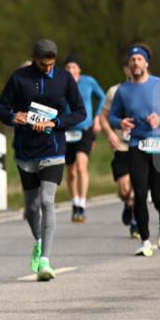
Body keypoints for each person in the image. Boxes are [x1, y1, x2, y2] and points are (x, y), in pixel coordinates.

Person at [0, 39, 86, 281]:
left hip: (54, 150)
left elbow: (80, 112)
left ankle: (45, 260)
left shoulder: (65, 79)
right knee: (31, 208)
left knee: (47, 201)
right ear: (34, 58)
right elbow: (1, 109)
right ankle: (38, 241)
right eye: (43, 64)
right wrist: (16, 117)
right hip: (26, 152)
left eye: (51, 64)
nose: (48, 68)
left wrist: (55, 123)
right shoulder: (19, 78)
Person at [107, 44, 160, 257]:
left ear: (146, 62)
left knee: (158, 197)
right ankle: (146, 241)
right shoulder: (123, 90)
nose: (136, 62)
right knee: (139, 195)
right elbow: (112, 116)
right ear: (129, 65)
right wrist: (121, 122)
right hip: (136, 145)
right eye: (132, 60)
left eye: (139, 59)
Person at [62, 56, 106, 223]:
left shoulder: (88, 81)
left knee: (81, 166)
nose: (71, 70)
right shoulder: (60, 83)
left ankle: (82, 204)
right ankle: (74, 202)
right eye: (68, 67)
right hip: (66, 131)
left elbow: (102, 97)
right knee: (71, 171)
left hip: (85, 129)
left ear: (79, 69)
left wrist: (97, 118)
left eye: (74, 67)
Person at [99, 62, 139, 238]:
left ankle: (136, 223)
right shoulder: (114, 91)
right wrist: (110, 134)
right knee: (124, 190)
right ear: (125, 69)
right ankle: (127, 204)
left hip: (141, 144)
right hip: (121, 144)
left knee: (138, 186)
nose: (134, 68)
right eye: (130, 65)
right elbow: (103, 116)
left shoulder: (149, 89)